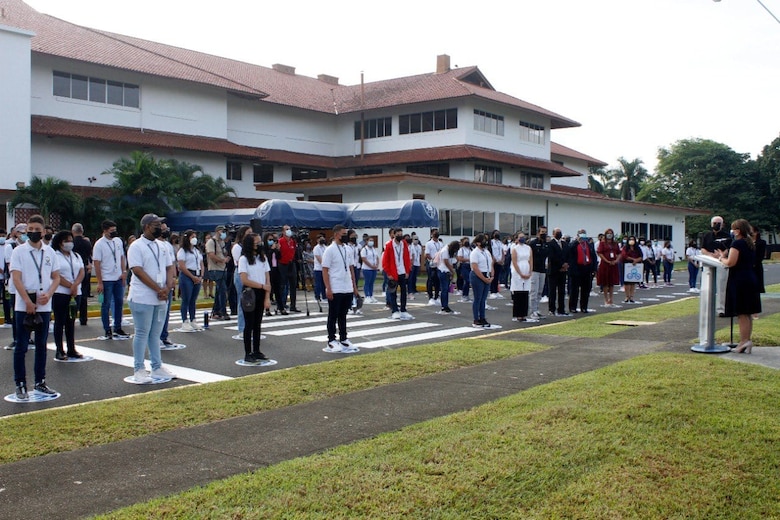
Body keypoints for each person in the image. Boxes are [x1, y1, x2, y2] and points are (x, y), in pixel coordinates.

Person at [10, 215, 61, 400]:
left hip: (43, 301)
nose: (32, 233)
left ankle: (40, 382)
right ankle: (20, 383)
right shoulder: (19, 252)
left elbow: (56, 277)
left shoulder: (50, 252)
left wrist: (50, 293)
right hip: (24, 302)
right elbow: (16, 278)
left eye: (36, 230)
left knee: (41, 345)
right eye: (29, 230)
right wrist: (27, 301)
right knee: (21, 346)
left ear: (43, 231)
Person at [126, 214, 177, 383]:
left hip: (160, 296)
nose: (161, 228)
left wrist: (167, 287)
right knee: (141, 333)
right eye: (157, 225)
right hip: (142, 297)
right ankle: (139, 369)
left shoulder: (162, 246)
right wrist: (157, 288)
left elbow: (170, 267)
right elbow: (137, 271)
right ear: (147, 226)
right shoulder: (136, 246)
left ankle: (157, 366)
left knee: (155, 334)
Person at [717, 219, 761, 353]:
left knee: (742, 313)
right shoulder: (750, 244)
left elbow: (731, 262)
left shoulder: (737, 243)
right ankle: (746, 340)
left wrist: (721, 258)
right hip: (750, 278)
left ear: (738, 230)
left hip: (740, 280)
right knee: (747, 313)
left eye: (733, 228)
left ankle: (744, 341)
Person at [321, 224, 360, 353]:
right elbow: (325, 270)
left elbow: (351, 268)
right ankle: (331, 339)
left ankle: (343, 338)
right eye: (344, 234)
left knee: (343, 315)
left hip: (347, 287)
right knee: (333, 315)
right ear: (337, 234)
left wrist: (354, 286)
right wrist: (328, 288)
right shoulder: (330, 250)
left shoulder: (347, 249)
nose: (346, 236)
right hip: (335, 286)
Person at [93, 219, 129, 340]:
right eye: (111, 231)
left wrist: (124, 272)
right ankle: (107, 329)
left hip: (118, 277)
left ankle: (118, 327)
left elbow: (122, 257)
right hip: (106, 278)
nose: (114, 233)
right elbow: (97, 263)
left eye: (115, 230)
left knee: (119, 302)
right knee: (106, 304)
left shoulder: (118, 241)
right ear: (105, 231)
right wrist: (99, 282)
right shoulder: (99, 244)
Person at [238, 232, 272, 362]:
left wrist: (267, 296)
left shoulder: (262, 258)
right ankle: (248, 352)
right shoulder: (244, 259)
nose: (259, 244)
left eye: (259, 242)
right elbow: (244, 280)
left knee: (258, 323)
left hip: (262, 291)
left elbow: (267, 277)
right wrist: (262, 286)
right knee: (249, 324)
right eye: (256, 242)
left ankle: (257, 350)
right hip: (250, 292)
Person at [52, 230, 85, 360]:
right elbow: (54, 275)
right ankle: (59, 350)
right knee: (60, 322)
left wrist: (75, 285)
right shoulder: (55, 256)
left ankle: (71, 349)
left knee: (71, 322)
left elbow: (81, 271)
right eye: (66, 241)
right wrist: (69, 286)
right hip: (60, 292)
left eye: (71, 240)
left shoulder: (76, 255)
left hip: (75, 293)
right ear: (60, 243)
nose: (69, 243)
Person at [700, 216, 731, 315]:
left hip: (721, 262)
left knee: (722, 286)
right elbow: (703, 248)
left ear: (722, 224)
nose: (716, 225)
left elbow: (729, 248)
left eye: (718, 223)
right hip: (709, 262)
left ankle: (721, 309)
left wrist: (722, 255)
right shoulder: (707, 235)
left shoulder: (727, 236)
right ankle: (707, 308)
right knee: (707, 286)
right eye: (715, 223)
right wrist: (710, 255)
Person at [177, 229, 205, 332]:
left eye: (195, 236)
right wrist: (192, 277)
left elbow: (201, 264)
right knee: (186, 299)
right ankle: (185, 321)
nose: (194, 239)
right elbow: (182, 266)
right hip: (187, 275)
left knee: (193, 299)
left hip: (197, 274)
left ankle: (193, 319)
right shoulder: (182, 251)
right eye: (192, 237)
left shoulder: (197, 251)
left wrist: (201, 276)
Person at [382, 227, 413, 320]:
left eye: (401, 234)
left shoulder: (403, 243)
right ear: (394, 234)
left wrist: (407, 270)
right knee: (393, 292)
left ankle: (403, 310)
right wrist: (388, 272)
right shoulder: (389, 245)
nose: (400, 236)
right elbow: (385, 260)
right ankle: (395, 310)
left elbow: (407, 258)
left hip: (402, 271)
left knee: (404, 291)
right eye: (398, 234)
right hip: (393, 272)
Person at [157, 223, 178, 347]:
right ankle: (157, 336)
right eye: (164, 229)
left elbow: (172, 264)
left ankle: (164, 335)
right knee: (159, 312)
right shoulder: (156, 244)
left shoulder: (168, 245)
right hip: (160, 280)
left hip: (168, 281)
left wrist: (174, 277)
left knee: (166, 310)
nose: (166, 231)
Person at [567, 229, 598, 313]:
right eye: (581, 234)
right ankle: (573, 307)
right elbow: (569, 251)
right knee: (574, 290)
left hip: (587, 269)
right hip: (576, 269)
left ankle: (584, 307)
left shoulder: (589, 245)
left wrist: (594, 269)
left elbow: (593, 257)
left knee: (586, 290)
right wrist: (577, 241)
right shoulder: (574, 244)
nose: (583, 236)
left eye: (584, 234)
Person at [229, 226, 251, 339]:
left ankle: (249, 327)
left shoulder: (251, 247)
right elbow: (240, 261)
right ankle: (242, 328)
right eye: (248, 233)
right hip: (241, 273)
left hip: (250, 273)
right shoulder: (237, 247)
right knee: (242, 301)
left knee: (250, 302)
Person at [469, 233, 493, 328]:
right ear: (478, 243)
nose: (485, 242)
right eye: (483, 240)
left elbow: (491, 263)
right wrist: (484, 279)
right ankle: (476, 319)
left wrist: (492, 275)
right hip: (477, 275)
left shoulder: (486, 252)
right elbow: (475, 268)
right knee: (478, 298)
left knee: (483, 299)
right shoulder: (475, 253)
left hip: (486, 274)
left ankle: (482, 317)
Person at [510, 232, 535, 322]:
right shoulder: (515, 249)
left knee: (525, 293)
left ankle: (524, 314)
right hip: (518, 272)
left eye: (523, 237)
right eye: (520, 237)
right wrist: (520, 273)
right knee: (518, 293)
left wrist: (530, 271)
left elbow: (531, 260)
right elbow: (515, 262)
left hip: (527, 270)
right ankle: (518, 315)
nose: (522, 239)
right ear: (516, 239)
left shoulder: (528, 248)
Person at [206, 225, 229, 320]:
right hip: (215, 269)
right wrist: (222, 260)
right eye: (222, 231)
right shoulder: (211, 242)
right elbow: (211, 255)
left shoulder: (222, 242)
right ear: (217, 231)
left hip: (222, 269)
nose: (223, 233)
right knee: (222, 290)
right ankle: (223, 311)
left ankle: (216, 310)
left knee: (219, 290)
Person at [71, 223, 92, 326]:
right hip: (84, 268)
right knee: (83, 295)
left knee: (73, 295)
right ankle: (83, 318)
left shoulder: (72, 243)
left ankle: (72, 316)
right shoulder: (87, 243)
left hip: (74, 270)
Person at [528, 226, 549, 320]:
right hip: (534, 270)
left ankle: (536, 309)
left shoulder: (546, 244)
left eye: (545, 232)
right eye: (542, 232)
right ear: (538, 233)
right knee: (534, 291)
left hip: (542, 270)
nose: (543, 234)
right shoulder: (533, 243)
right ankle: (532, 311)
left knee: (540, 291)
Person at [547, 227, 569, 316]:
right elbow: (552, 257)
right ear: (553, 234)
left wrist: (566, 264)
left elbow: (568, 255)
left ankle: (561, 309)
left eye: (560, 232)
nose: (559, 234)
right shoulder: (550, 244)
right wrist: (561, 265)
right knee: (552, 291)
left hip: (563, 271)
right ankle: (552, 309)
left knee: (562, 291)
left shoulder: (564, 244)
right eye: (557, 232)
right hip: (554, 270)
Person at [278, 224, 300, 313]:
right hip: (282, 264)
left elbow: (295, 251)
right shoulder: (280, 241)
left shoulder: (292, 241)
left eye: (289, 229)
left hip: (291, 264)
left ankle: (293, 305)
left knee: (293, 285)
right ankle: (282, 305)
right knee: (282, 285)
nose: (288, 231)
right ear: (283, 232)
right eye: (286, 229)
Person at [596, 228, 620, 307]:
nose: (609, 235)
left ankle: (611, 299)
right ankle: (606, 299)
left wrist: (616, 260)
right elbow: (600, 253)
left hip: (613, 265)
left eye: (611, 233)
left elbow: (619, 253)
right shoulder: (602, 243)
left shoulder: (615, 243)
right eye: (608, 233)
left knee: (612, 283)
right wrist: (607, 261)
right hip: (605, 264)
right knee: (605, 283)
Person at [436, 240, 458, 314]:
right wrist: (452, 271)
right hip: (443, 271)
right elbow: (446, 262)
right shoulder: (445, 250)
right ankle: (444, 307)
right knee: (444, 289)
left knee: (446, 289)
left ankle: (445, 306)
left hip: (446, 271)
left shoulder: (448, 250)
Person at [621, 235, 643, 304]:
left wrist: (636, 260)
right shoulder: (625, 248)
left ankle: (632, 296)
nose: (631, 241)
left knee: (633, 282)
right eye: (630, 239)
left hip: (636, 266)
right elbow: (624, 256)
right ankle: (627, 296)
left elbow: (641, 256)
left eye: (633, 239)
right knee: (627, 282)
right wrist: (633, 259)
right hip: (627, 265)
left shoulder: (637, 248)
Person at [424, 230, 442, 305]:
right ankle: (430, 297)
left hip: (438, 264)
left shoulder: (440, 244)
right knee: (430, 279)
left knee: (437, 280)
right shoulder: (429, 244)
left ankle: (437, 296)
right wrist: (433, 260)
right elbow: (427, 254)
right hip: (431, 263)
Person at [360, 237, 379, 303]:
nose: (371, 242)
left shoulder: (373, 249)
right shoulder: (364, 249)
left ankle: (371, 295)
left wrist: (376, 265)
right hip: (367, 268)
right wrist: (371, 266)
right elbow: (364, 259)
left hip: (374, 269)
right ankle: (367, 296)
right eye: (370, 240)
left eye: (372, 240)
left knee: (371, 283)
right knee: (367, 282)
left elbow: (377, 257)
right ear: (367, 241)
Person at [488, 230, 505, 299]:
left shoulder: (500, 243)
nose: (497, 234)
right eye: (495, 233)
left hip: (499, 261)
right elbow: (490, 251)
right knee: (493, 276)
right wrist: (494, 259)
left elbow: (502, 251)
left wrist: (502, 259)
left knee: (497, 277)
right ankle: (492, 291)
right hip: (494, 262)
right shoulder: (491, 242)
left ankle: (496, 291)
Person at [456, 237, 473, 303]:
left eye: (468, 241)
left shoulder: (470, 249)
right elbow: (460, 258)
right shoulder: (461, 250)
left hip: (470, 266)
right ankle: (464, 295)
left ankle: (467, 295)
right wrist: (468, 259)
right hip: (464, 266)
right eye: (465, 241)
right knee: (467, 280)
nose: (467, 242)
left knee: (469, 281)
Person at [312, 235, 327, 303]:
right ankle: (317, 296)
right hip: (318, 268)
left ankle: (324, 296)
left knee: (324, 283)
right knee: (318, 283)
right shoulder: (316, 248)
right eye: (320, 239)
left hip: (325, 269)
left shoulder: (325, 247)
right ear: (317, 240)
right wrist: (324, 264)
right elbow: (318, 258)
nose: (322, 240)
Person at [407, 236, 422, 300]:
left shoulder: (419, 247)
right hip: (412, 264)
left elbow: (420, 255)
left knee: (415, 277)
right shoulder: (410, 246)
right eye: (415, 239)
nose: (416, 240)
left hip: (417, 263)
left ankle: (414, 289)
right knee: (411, 278)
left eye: (417, 239)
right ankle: (410, 290)